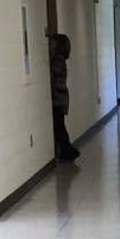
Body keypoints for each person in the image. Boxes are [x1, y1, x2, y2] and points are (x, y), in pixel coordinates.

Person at [49, 33, 79, 161]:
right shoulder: (60, 60)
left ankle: (69, 151)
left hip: (58, 99)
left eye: (52, 43)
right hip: (60, 98)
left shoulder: (58, 60)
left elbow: (52, 74)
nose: (49, 46)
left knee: (59, 127)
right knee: (60, 126)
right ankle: (67, 151)